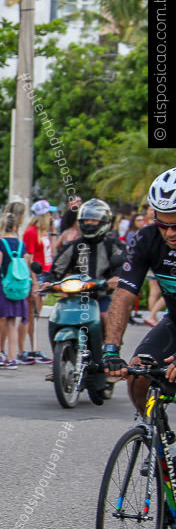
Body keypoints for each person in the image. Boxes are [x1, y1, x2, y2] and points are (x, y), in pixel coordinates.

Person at [103, 169, 176, 415]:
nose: (169, 233)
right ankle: (154, 436)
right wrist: (111, 349)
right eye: (163, 224)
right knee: (138, 374)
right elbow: (124, 294)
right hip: (173, 323)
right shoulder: (146, 238)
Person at [47, 199, 124, 315]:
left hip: (102, 297)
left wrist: (116, 277)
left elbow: (124, 262)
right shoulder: (73, 246)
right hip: (75, 297)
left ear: (104, 222)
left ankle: (108, 334)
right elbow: (58, 266)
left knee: (106, 318)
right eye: (86, 220)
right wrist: (48, 281)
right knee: (58, 316)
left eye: (93, 220)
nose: (88, 223)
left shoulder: (113, 245)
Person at [0, 202, 30, 369]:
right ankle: (11, 358)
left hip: (2, 285)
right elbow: (27, 264)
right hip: (17, 287)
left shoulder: (0, 244)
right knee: (12, 323)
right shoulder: (21, 244)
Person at [17, 200, 57, 365]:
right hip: (36, 275)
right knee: (29, 314)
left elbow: (52, 253)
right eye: (49, 214)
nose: (52, 217)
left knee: (36, 315)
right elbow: (29, 259)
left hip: (45, 274)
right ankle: (21, 350)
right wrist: (34, 281)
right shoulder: (31, 232)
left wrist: (53, 233)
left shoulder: (44, 232)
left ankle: (35, 348)